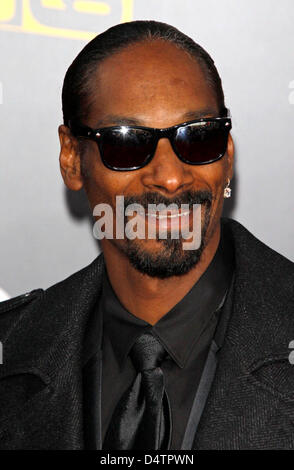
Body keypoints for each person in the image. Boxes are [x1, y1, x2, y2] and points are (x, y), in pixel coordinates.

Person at [0, 20, 293, 451]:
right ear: (71, 159)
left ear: (227, 155)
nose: (171, 178)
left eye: (198, 137)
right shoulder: (13, 350)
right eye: (126, 144)